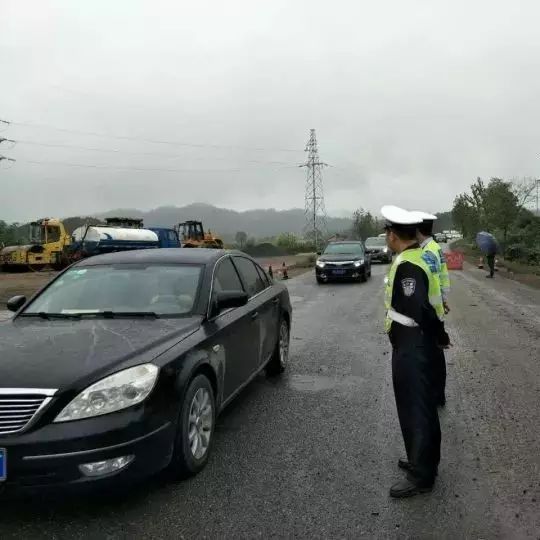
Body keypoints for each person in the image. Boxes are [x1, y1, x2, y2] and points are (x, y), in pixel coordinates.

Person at [381, 205, 450, 498]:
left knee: (415, 407)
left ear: (394, 235)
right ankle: (420, 460)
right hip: (414, 340)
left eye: (387, 232)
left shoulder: (409, 264)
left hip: (413, 343)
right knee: (417, 405)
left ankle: (422, 475)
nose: (386, 237)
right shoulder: (417, 256)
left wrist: (439, 334)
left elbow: (419, 307)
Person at [411, 210, 449, 408]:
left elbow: (426, 285)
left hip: (430, 314)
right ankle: (438, 395)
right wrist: (443, 300)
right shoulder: (435, 247)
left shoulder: (426, 253)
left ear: (417, 230)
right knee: (436, 356)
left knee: (432, 358)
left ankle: (435, 396)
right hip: (436, 310)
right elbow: (441, 279)